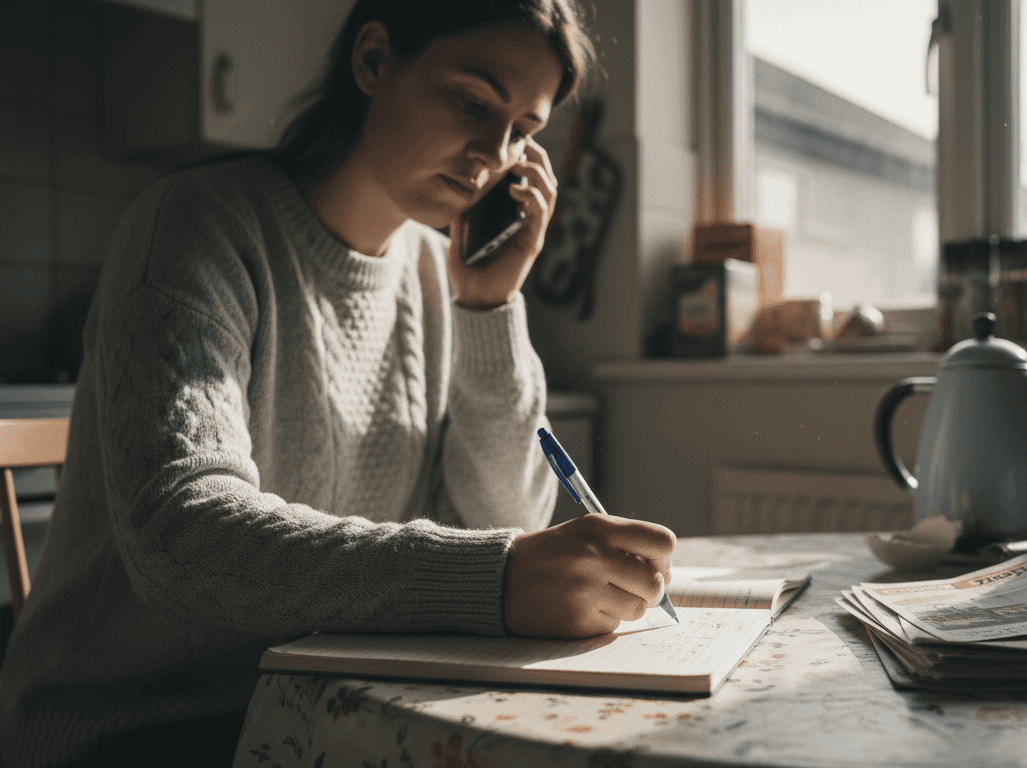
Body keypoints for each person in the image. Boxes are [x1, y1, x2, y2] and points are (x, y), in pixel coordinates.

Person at [0, 2, 677, 766]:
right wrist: (493, 576)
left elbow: (499, 517)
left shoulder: (435, 272)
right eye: (472, 102)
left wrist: (490, 306)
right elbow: (178, 534)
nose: (494, 153)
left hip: (324, 705)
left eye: (524, 129)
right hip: (138, 726)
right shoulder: (195, 226)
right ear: (375, 60)